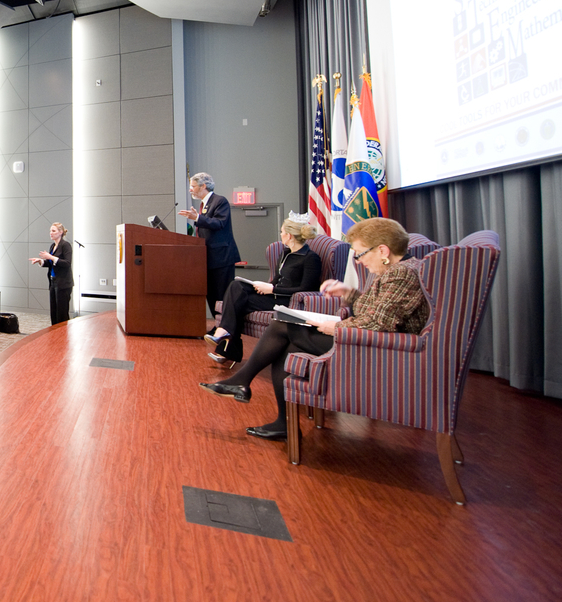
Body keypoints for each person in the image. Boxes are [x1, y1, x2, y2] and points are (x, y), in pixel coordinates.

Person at [199, 218, 430, 440]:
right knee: (286, 343)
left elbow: (378, 324)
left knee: (282, 324)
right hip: (367, 340)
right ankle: (282, 421)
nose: (359, 261)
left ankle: (244, 382)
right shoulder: (397, 271)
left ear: (383, 250)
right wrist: (347, 293)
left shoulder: (402, 273)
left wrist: (333, 326)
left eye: (360, 254)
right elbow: (374, 312)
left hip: (381, 351)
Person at [205, 214, 323, 366]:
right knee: (236, 286)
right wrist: (263, 285)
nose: (280, 235)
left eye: (282, 232)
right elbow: (277, 278)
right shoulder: (285, 253)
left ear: (289, 235)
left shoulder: (310, 258)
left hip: (286, 300)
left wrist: (273, 289)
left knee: (237, 303)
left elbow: (307, 288)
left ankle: (226, 344)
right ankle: (225, 340)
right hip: (273, 294)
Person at [178, 172, 241, 317]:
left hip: (221, 259)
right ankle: (218, 325)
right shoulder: (203, 204)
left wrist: (197, 218)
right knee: (211, 295)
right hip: (209, 259)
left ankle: (226, 329)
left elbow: (219, 223)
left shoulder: (220, 201)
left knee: (222, 296)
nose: (190, 189)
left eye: (193, 186)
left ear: (203, 186)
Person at [30, 222, 73, 326]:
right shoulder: (53, 246)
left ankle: (63, 336)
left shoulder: (65, 245)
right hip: (53, 282)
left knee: (62, 313)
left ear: (61, 232)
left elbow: (67, 263)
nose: (51, 233)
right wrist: (40, 261)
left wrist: (51, 257)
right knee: (54, 311)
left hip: (63, 283)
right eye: (50, 231)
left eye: (53, 231)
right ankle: (54, 335)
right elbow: (50, 263)